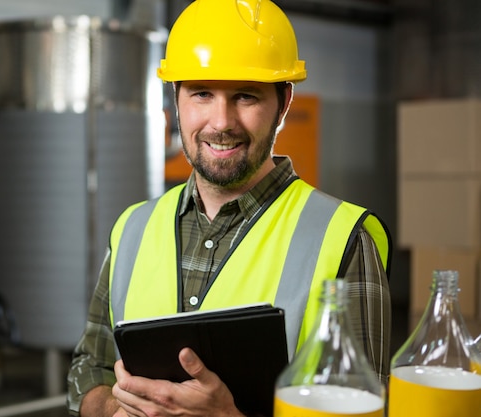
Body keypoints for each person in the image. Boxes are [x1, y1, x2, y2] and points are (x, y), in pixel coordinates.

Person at [67, 0, 392, 416]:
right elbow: (89, 369)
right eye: (202, 93)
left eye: (245, 95)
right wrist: (114, 409)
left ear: (284, 102)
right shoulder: (133, 228)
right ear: (177, 99)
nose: (221, 122)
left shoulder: (343, 238)